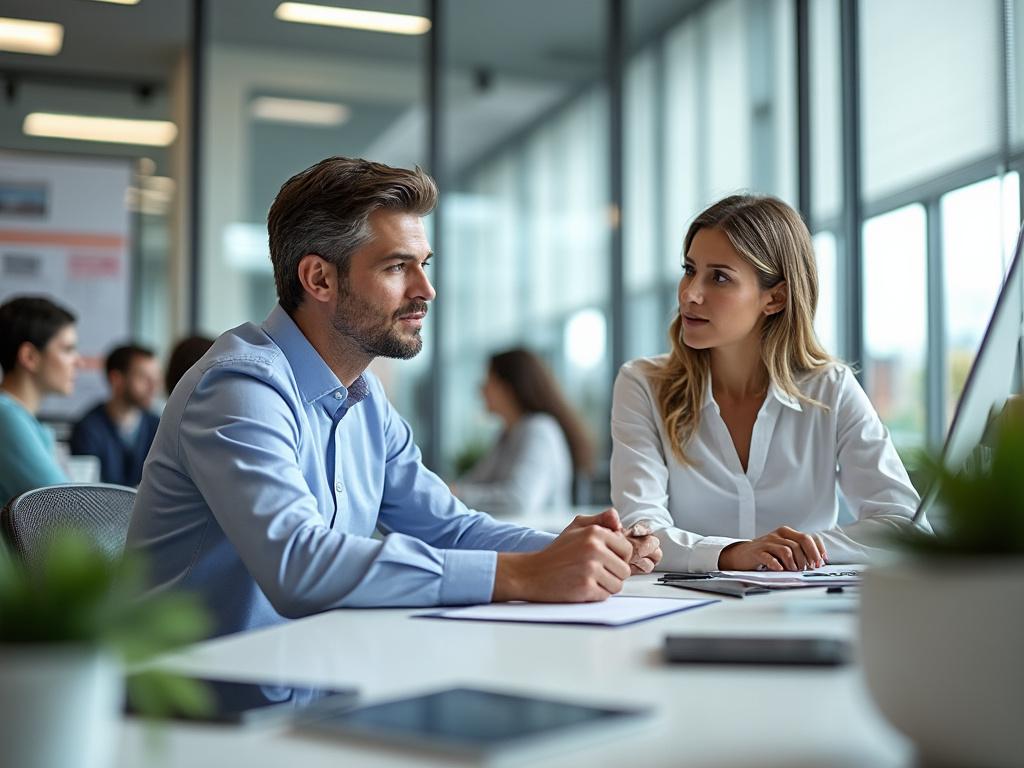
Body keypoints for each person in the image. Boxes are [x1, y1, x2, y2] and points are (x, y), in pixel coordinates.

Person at [129, 157, 661, 637]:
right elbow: (298, 564)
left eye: (424, 264)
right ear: (319, 279)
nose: (425, 290)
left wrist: (574, 550)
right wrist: (524, 574)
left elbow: (448, 529)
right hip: (202, 699)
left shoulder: (364, 400)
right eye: (396, 267)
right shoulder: (239, 387)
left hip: (313, 677)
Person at [610, 194, 921, 574]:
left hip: (802, 605)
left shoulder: (831, 389)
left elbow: (905, 525)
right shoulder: (643, 384)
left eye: (719, 277)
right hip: (681, 605)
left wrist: (797, 550)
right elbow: (640, 535)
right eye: (689, 269)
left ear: (776, 298)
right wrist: (734, 553)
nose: (690, 293)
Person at [454, 348, 593, 517]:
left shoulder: (539, 430)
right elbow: (473, 482)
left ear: (508, 387)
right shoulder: (508, 434)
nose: (481, 389)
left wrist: (455, 493)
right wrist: (447, 491)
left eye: (489, 380)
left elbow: (518, 501)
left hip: (544, 533)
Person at [0, 296, 78, 505]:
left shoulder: (21, 418)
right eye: (67, 349)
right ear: (30, 357)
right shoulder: (5, 418)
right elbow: (65, 506)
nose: (78, 361)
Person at [70, 344, 161, 487]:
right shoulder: (88, 429)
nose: (153, 387)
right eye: (143, 378)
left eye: (155, 379)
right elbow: (87, 490)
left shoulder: (158, 426)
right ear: (116, 379)